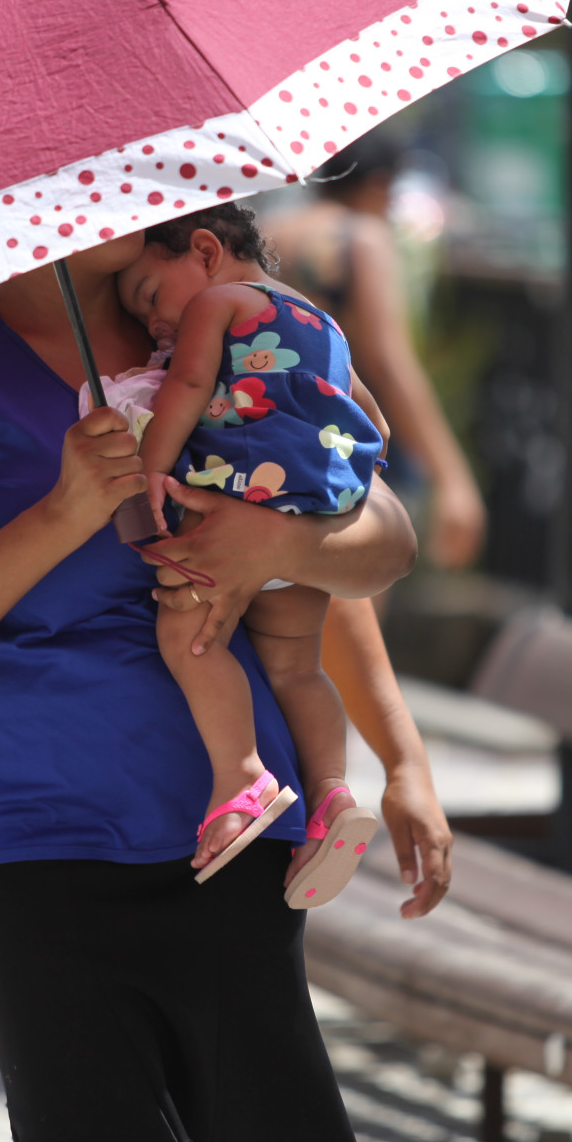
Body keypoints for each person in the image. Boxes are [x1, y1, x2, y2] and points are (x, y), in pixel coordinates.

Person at [0, 231, 417, 1142]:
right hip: (30, 829)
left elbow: (384, 537)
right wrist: (61, 511)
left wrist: (276, 538)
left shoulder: (224, 319)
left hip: (232, 827)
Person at [100, 205, 382, 901]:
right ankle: (331, 798)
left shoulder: (220, 304)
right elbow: (372, 421)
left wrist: (153, 472)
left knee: (187, 636)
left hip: (236, 496)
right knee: (296, 667)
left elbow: (190, 389)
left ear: (202, 249)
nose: (153, 323)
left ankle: (242, 778)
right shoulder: (325, 324)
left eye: (149, 295)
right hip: (312, 510)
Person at [263, 132, 487, 570]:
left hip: (267, 426)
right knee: (355, 591)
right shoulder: (361, 237)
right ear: (379, 184)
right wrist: (454, 478)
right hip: (343, 434)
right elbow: (388, 363)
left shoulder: (272, 231)